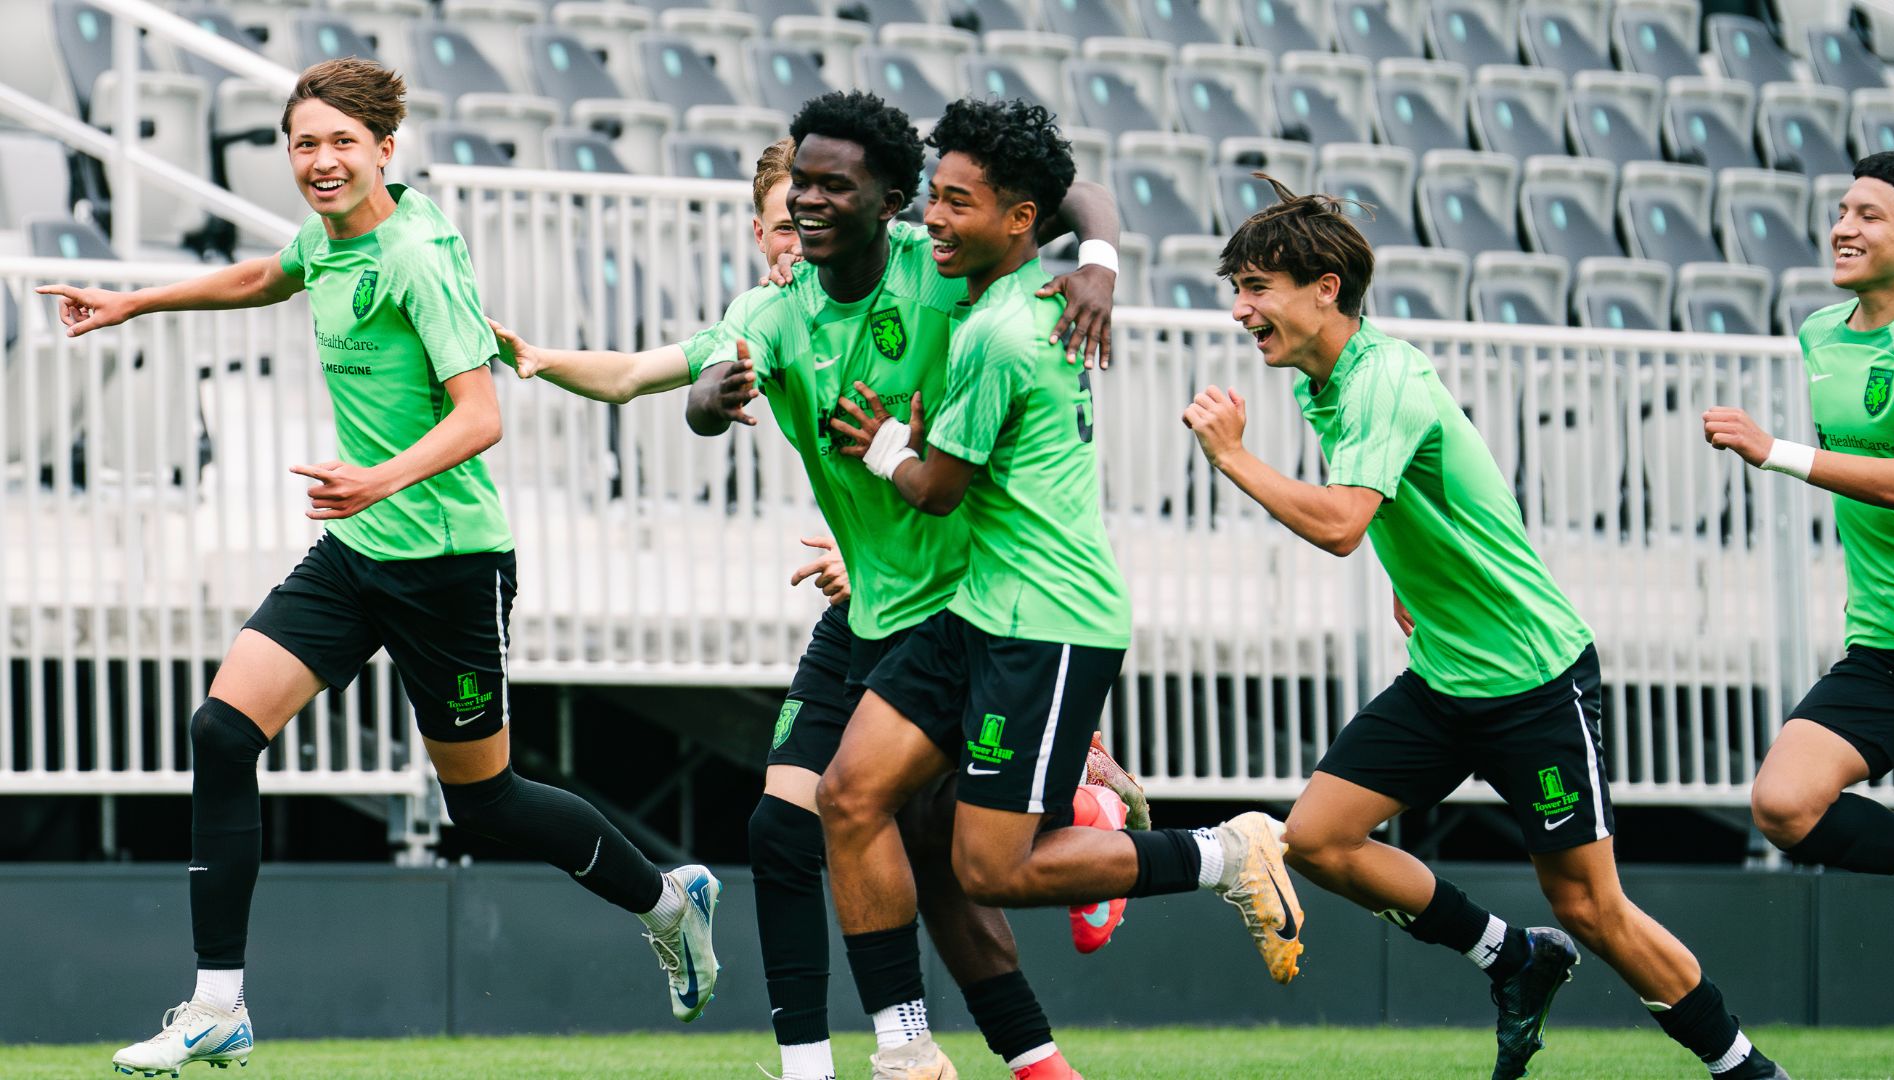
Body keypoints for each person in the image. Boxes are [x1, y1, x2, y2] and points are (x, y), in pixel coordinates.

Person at [38, 59, 720, 1079]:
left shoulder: (417, 258)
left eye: (341, 143)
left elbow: (481, 415)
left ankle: (668, 903)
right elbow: (264, 277)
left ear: (384, 149)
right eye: (303, 143)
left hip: (449, 566)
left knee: (484, 802)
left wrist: (377, 480)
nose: (320, 161)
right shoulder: (326, 238)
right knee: (222, 731)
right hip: (358, 553)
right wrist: (133, 303)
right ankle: (218, 1005)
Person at [502, 96, 1130, 1080]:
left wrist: (1098, 264)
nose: (792, 229)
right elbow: (655, 380)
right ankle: (861, 1057)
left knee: (942, 853)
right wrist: (683, 394)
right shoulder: (767, 317)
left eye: (819, 198)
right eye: (780, 212)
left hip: (964, 601)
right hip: (866, 609)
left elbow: (1070, 196)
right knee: (809, 826)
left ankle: (1071, 847)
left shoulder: (938, 268)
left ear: (886, 205)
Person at [1177, 176, 1787, 1080]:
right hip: (1444, 675)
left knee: (1591, 907)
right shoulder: (1326, 382)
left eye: (1256, 288)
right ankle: (1512, 956)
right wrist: (1413, 580)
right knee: (1318, 840)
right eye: (1238, 290)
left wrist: (1232, 456)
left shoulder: (1383, 377)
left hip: (1532, 680)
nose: (1239, 311)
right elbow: (1421, 503)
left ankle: (1745, 1067)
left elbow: (1342, 525)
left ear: (1325, 290)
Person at [821, 98, 1306, 1080]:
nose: (935, 219)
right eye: (934, 198)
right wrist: (1101, 259)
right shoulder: (1025, 299)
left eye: (959, 203)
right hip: (979, 610)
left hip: (1045, 626)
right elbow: (1080, 196)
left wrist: (876, 446)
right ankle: (906, 1050)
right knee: (849, 795)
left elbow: (937, 490)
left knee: (988, 867)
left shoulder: (1002, 334)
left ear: (1018, 221)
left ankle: (1227, 853)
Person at [1704, 151, 1894, 878]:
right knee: (1784, 804)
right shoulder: (1822, 332)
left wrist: (1776, 452)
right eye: (1841, 212)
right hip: (1888, 642)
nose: (1842, 229)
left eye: (1868, 215)